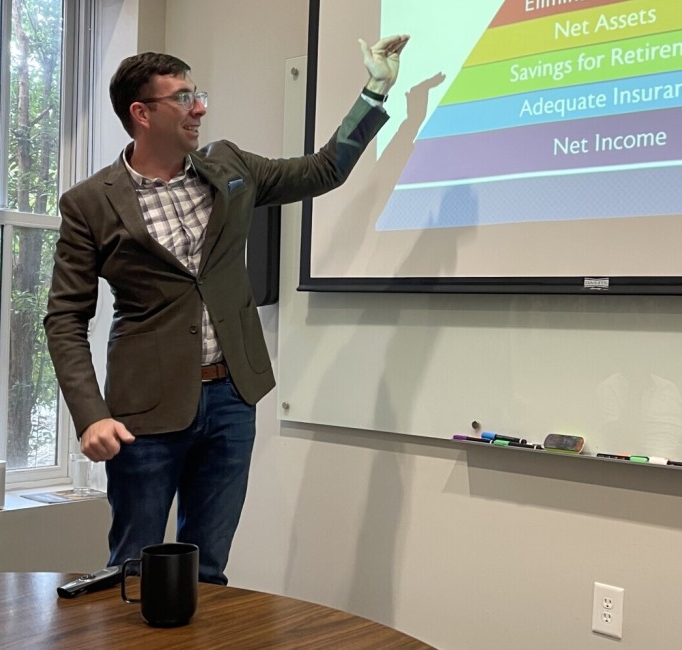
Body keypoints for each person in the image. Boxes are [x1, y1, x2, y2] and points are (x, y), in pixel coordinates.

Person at [44, 34, 409, 584]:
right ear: (141, 113)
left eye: (199, 93)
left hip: (232, 397)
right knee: (133, 569)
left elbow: (323, 170)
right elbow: (65, 318)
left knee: (208, 567)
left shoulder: (229, 167)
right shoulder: (90, 202)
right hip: (143, 410)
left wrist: (374, 93)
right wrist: (90, 414)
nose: (200, 108)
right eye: (184, 97)